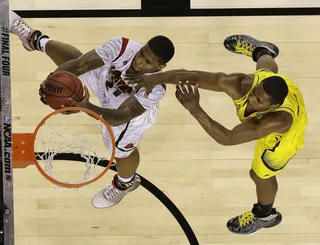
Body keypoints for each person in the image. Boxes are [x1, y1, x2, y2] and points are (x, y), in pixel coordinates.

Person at [125, 35, 308, 235]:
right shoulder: (243, 84)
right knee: (265, 72)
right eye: (254, 93)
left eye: (258, 101)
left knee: (259, 174)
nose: (251, 100)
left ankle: (265, 214)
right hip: (279, 86)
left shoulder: (277, 121)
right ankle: (262, 51)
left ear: (272, 106)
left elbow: (227, 138)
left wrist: (195, 109)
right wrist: (156, 78)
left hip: (284, 138)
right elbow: (193, 76)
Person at [9, 10, 175, 209]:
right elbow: (79, 65)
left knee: (121, 151)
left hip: (126, 116)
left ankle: (125, 183)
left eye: (148, 62)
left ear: (160, 66)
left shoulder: (155, 88)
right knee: (78, 61)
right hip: (106, 84)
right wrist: (52, 79)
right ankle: (33, 39)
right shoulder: (122, 47)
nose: (139, 61)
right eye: (141, 54)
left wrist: (87, 107)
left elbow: (120, 116)